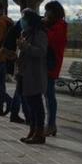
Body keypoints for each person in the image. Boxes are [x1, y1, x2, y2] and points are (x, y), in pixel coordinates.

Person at [16, 9, 49, 144]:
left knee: (36, 104)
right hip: (23, 73)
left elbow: (41, 52)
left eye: (24, 18)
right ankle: (32, 129)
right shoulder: (25, 33)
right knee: (29, 103)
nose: (22, 21)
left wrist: (26, 47)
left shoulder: (39, 34)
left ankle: (39, 133)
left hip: (34, 74)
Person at [43, 1, 68, 137]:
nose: (46, 14)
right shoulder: (54, 25)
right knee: (47, 95)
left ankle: (51, 124)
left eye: (48, 11)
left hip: (51, 65)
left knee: (50, 96)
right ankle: (50, 124)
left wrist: (44, 27)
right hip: (47, 64)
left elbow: (51, 40)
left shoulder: (60, 26)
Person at [2, 11, 25, 124]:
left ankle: (14, 112)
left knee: (20, 90)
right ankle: (18, 113)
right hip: (22, 65)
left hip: (18, 64)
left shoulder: (16, 29)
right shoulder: (21, 31)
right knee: (22, 91)